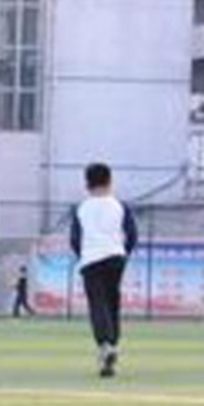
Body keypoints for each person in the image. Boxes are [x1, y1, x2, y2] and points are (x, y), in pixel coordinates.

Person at [70, 162, 138, 378]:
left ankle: (105, 345)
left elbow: (75, 239)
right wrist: (124, 253)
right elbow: (132, 234)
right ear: (110, 181)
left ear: (87, 184)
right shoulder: (120, 206)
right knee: (112, 303)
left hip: (91, 260)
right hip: (115, 257)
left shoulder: (81, 208)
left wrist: (83, 255)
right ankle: (113, 345)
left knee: (97, 304)